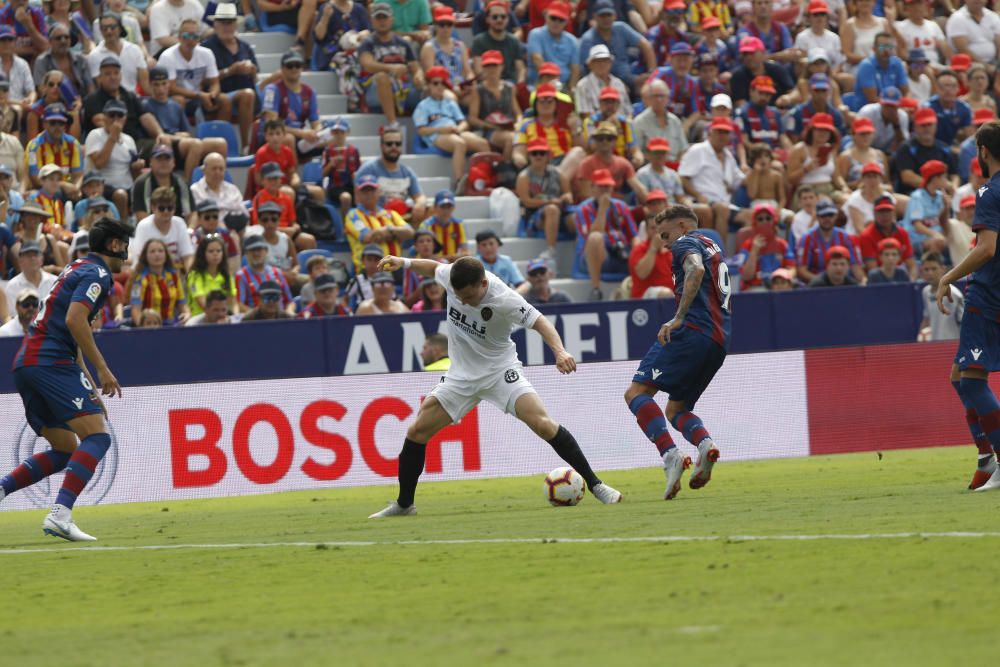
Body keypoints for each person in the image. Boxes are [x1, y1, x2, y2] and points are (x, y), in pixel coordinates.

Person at [369, 254, 622, 518]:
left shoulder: (505, 299)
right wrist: (405, 262)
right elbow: (433, 267)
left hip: (500, 371)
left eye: (468, 297)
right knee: (417, 431)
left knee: (543, 424)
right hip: (461, 376)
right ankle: (404, 505)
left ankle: (597, 485)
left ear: (482, 284)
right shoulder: (453, 275)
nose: (463, 302)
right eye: (459, 297)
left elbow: (541, 322)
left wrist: (560, 352)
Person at [1, 218, 131, 541]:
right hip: (50, 363)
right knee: (98, 438)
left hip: (28, 363)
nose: (127, 252)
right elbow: (75, 320)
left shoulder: (75, 267)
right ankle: (61, 514)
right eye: (124, 244)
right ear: (114, 245)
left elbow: (69, 333)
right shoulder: (99, 274)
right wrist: (103, 369)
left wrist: (88, 383)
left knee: (64, 449)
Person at [624, 204, 729, 500]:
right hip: (719, 341)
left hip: (692, 331)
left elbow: (694, 269)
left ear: (683, 226)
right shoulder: (713, 244)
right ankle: (705, 445)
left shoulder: (685, 243)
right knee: (677, 409)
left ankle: (670, 455)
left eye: (665, 234)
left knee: (635, 393)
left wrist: (679, 316)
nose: (663, 241)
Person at [936, 120, 1000, 491]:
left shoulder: (989, 192)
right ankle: (985, 459)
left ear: (984, 152)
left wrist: (948, 277)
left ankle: (997, 459)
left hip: (988, 295)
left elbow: (987, 248)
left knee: (973, 381)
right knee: (959, 377)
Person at [413, 66, 489, 184]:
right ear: (428, 85)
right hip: (436, 135)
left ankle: (484, 179)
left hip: (455, 132)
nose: (440, 86)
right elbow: (421, 130)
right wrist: (441, 129)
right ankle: (460, 181)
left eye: (442, 83)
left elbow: (463, 122)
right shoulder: (423, 106)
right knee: (459, 144)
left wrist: (459, 128)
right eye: (435, 83)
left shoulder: (450, 103)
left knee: (483, 144)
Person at [200, 3, 258, 150]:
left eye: (230, 23)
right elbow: (203, 80)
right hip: (220, 94)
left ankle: (246, 146)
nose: (226, 27)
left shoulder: (245, 46)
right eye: (222, 23)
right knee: (247, 95)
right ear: (215, 25)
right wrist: (230, 71)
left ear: (235, 25)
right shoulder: (207, 47)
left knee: (250, 94)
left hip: (245, 91)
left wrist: (251, 70)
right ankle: (243, 145)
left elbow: (256, 75)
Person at [575, 168, 637, 301]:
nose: (605, 191)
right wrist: (602, 210)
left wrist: (636, 255)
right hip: (594, 258)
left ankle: (637, 286)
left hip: (620, 255)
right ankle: (596, 289)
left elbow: (634, 236)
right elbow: (592, 236)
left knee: (640, 244)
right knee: (596, 237)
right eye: (601, 187)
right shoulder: (583, 209)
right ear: (592, 188)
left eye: (608, 187)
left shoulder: (621, 206)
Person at [357, 4, 424, 128]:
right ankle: (393, 124)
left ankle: (432, 124)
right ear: (372, 21)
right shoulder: (368, 43)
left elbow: (416, 66)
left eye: (385, 17)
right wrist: (391, 68)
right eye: (378, 18)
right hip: (375, 90)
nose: (382, 21)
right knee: (382, 77)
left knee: (431, 85)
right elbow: (368, 65)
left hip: (402, 87)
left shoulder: (403, 43)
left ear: (391, 19)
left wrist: (418, 76)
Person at [577, 0, 655, 94]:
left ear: (615, 16)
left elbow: (645, 45)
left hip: (629, 79)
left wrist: (651, 73)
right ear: (594, 17)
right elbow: (588, 69)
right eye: (602, 15)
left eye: (609, 15)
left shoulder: (621, 28)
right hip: (601, 84)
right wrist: (616, 85)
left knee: (650, 87)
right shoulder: (588, 39)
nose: (606, 19)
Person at [344, 173, 415, 273]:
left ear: (378, 192)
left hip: (395, 269)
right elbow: (368, 237)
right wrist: (395, 235)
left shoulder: (391, 214)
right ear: (358, 194)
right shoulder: (353, 215)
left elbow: (410, 232)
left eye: (372, 190)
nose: (369, 194)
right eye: (365, 191)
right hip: (369, 272)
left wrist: (388, 229)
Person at [354, 127, 428, 222]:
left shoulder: (407, 172)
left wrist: (420, 204)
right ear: (381, 146)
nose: (394, 147)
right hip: (376, 219)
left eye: (398, 144)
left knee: (432, 209)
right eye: (389, 144)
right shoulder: (368, 169)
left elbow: (419, 196)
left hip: (402, 220)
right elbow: (358, 201)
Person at [84, 98, 142, 217]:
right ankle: (122, 229)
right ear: (104, 117)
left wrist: (137, 168)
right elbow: (100, 163)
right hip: (103, 187)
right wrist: (112, 137)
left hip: (128, 186)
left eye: (119, 115)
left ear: (125, 118)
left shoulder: (129, 140)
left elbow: (133, 173)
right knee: (120, 195)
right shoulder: (95, 135)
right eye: (111, 115)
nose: (116, 119)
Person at [260, 52, 322, 155]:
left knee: (334, 136)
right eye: (290, 66)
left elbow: (316, 122)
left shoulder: (309, 92)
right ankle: (293, 171)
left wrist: (317, 132)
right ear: (282, 69)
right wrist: (301, 133)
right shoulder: (272, 90)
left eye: (297, 65)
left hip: (300, 136)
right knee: (288, 139)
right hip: (273, 136)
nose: (294, 69)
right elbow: (271, 124)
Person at [467, 50, 520, 160]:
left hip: (510, 128)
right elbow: (472, 118)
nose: (491, 69)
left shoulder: (510, 88)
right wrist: (491, 125)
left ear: (501, 67)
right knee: (511, 139)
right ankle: (504, 170)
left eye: (495, 65)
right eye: (488, 66)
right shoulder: (478, 90)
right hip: (489, 130)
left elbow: (517, 112)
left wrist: (519, 124)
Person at [797, 199, 865, 284]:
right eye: (823, 216)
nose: (827, 219)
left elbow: (856, 267)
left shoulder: (847, 237)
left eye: (830, 215)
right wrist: (826, 282)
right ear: (817, 217)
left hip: (844, 283)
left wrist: (863, 281)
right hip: (818, 286)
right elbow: (802, 271)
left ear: (836, 216)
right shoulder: (807, 238)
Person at [893, 107, 957, 197]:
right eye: (923, 125)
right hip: (912, 195)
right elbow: (907, 177)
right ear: (915, 127)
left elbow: (954, 174)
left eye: (929, 124)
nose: (926, 128)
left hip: (941, 194)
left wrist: (953, 187)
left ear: (936, 125)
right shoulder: (906, 148)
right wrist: (935, 185)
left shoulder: (944, 148)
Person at [128, 185, 195, 271]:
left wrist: (191, 279)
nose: (166, 212)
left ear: (175, 208)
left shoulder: (179, 223)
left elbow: (188, 256)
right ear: (153, 208)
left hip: (176, 272)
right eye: (162, 208)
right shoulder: (144, 226)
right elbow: (139, 259)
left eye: (170, 208)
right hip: (150, 272)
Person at [126, 237, 188, 325]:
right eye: (152, 251)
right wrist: (143, 327)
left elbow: (183, 304)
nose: (157, 254)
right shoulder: (140, 279)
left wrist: (186, 314)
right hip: (150, 327)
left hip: (172, 325)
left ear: (166, 254)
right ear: (145, 256)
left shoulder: (174, 276)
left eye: (160, 251)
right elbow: (136, 311)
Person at [131, 143, 194, 222]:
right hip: (149, 230)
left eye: (167, 159)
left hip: (178, 229)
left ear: (173, 162)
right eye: (159, 159)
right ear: (151, 162)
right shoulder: (141, 184)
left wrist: (189, 230)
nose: (163, 162)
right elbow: (141, 215)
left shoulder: (182, 183)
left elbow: (191, 213)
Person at [88, 13, 149, 94]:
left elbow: (145, 84)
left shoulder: (135, 50)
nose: (108, 31)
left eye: (112, 27)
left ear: (120, 28)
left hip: (132, 99)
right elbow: (100, 86)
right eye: (104, 28)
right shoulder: (95, 56)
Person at [235, 235, 295, 314]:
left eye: (259, 249)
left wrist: (289, 313)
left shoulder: (277, 273)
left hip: (280, 318)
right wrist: (257, 316)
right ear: (246, 254)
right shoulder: (241, 276)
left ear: (266, 251)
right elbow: (239, 305)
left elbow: (290, 301)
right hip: (256, 321)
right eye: (252, 250)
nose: (256, 253)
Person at [190, 152, 247, 232]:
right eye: (214, 168)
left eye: (221, 169)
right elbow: (197, 218)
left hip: (236, 228)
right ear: (204, 170)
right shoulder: (195, 190)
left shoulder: (233, 190)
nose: (218, 172)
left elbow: (244, 213)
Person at [470, 1, 525, 84]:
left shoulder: (514, 41)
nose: (499, 20)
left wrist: (520, 84)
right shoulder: (479, 41)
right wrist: (497, 85)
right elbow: (479, 71)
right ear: (487, 19)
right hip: (487, 85)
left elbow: (521, 69)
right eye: (495, 17)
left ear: (508, 19)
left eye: (503, 17)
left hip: (511, 85)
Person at [632, 79, 687, 163]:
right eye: (656, 96)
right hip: (651, 167)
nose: (659, 99)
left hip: (674, 167)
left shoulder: (675, 121)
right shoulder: (640, 121)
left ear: (668, 98)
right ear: (649, 98)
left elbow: (683, 149)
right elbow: (636, 150)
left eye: (662, 96)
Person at [525, 3, 579, 88]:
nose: (556, 22)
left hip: (564, 88)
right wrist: (553, 85)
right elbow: (537, 59)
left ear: (567, 22)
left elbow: (575, 69)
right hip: (539, 86)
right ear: (546, 16)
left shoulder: (572, 41)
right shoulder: (535, 34)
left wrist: (571, 89)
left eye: (561, 20)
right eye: (553, 18)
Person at [628, 210, 674, 299]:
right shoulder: (639, 249)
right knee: (666, 294)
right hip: (644, 298)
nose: (657, 232)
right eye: (653, 228)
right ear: (646, 230)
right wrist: (653, 248)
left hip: (671, 297)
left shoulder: (672, 250)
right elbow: (642, 274)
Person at [186, 233, 235, 316]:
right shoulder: (195, 276)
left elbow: (232, 303)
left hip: (223, 317)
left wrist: (234, 318)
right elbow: (203, 304)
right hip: (200, 319)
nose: (215, 254)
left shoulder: (227, 275)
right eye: (211, 251)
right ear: (203, 254)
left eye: (218, 251)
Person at [917, 251, 961, 342]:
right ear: (921, 271)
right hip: (935, 346)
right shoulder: (925, 292)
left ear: (943, 269)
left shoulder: (953, 293)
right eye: (926, 269)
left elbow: (965, 322)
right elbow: (927, 318)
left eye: (934, 269)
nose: (930, 273)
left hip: (953, 344)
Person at [5, 241, 58, 317]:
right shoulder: (12, 286)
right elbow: (13, 316)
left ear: (42, 259)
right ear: (20, 260)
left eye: (36, 255)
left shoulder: (55, 282)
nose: (32, 258)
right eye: (28, 255)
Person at [855, 32, 909, 105]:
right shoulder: (866, 66)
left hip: (893, 107)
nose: (886, 50)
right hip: (870, 110)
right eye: (883, 47)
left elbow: (905, 92)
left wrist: (906, 105)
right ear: (874, 49)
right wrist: (897, 107)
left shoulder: (897, 63)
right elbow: (872, 99)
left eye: (890, 47)